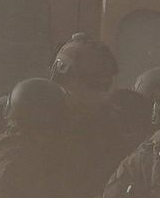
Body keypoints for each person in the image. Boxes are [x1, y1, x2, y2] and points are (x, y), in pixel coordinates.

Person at [55, 32, 153, 168]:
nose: (103, 93)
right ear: (68, 81)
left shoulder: (115, 116)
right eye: (94, 85)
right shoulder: (49, 119)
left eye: (106, 85)